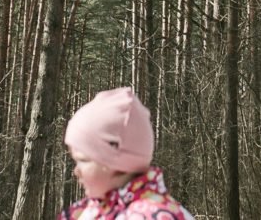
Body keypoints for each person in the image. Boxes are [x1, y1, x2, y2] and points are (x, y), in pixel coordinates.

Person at [57, 87, 194, 220]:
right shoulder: (83, 212)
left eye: (83, 160)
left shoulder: (157, 215)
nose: (76, 171)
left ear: (117, 163)